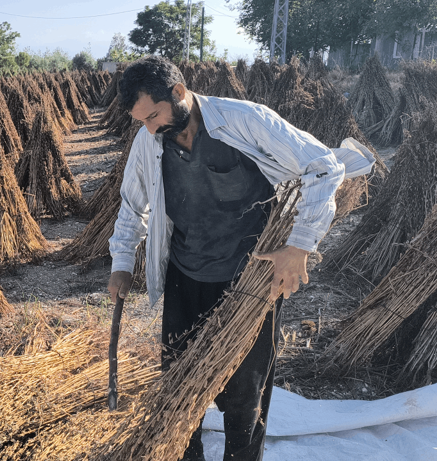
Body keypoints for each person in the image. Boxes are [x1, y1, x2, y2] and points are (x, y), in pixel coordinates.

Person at [107, 56, 375, 461]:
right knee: (179, 383)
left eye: (154, 115)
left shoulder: (245, 121)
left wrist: (299, 246)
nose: (149, 128)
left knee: (245, 396)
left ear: (179, 93)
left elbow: (324, 167)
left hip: (250, 283)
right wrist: (122, 263)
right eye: (141, 121)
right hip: (186, 275)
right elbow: (133, 205)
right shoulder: (149, 141)